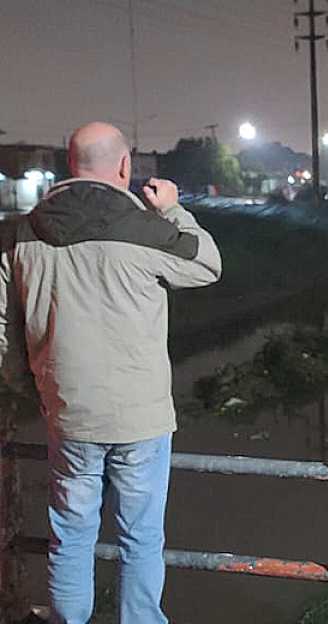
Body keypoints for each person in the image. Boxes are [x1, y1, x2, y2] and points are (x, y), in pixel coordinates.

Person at [0, 122, 222, 623]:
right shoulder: (145, 229)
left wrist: (31, 385)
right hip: (140, 420)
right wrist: (173, 208)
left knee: (71, 535)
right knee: (140, 537)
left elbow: (2, 326)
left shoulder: (23, 233)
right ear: (124, 167)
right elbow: (207, 264)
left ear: (68, 163)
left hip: (69, 414)